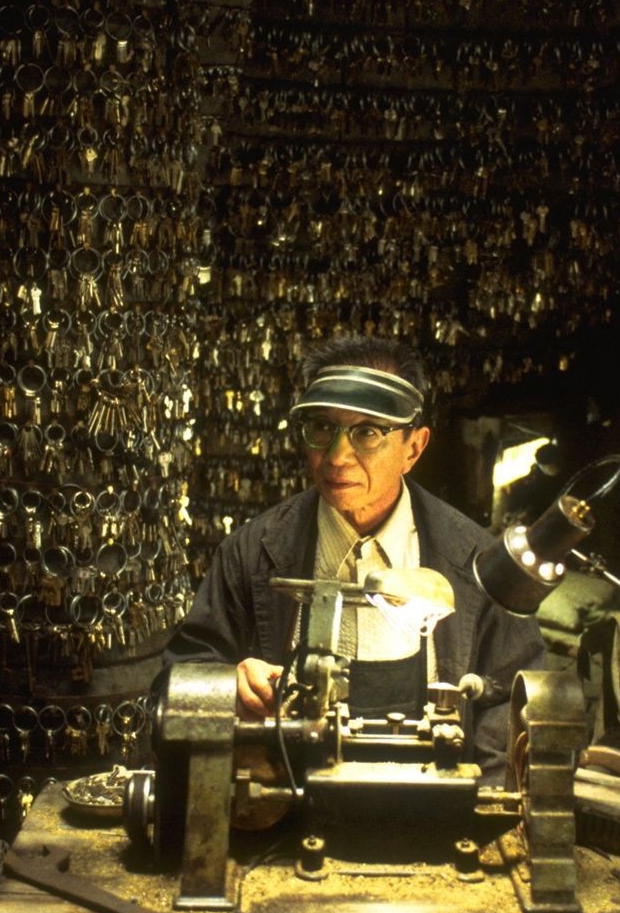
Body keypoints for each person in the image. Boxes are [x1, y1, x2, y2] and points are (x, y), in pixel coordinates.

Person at [165, 335, 547, 782]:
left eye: (367, 432)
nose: (336, 457)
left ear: (414, 448)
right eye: (322, 428)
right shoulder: (252, 553)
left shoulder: (476, 560)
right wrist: (225, 685)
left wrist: (473, 796)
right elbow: (181, 678)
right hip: (288, 806)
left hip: (431, 811)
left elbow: (517, 703)